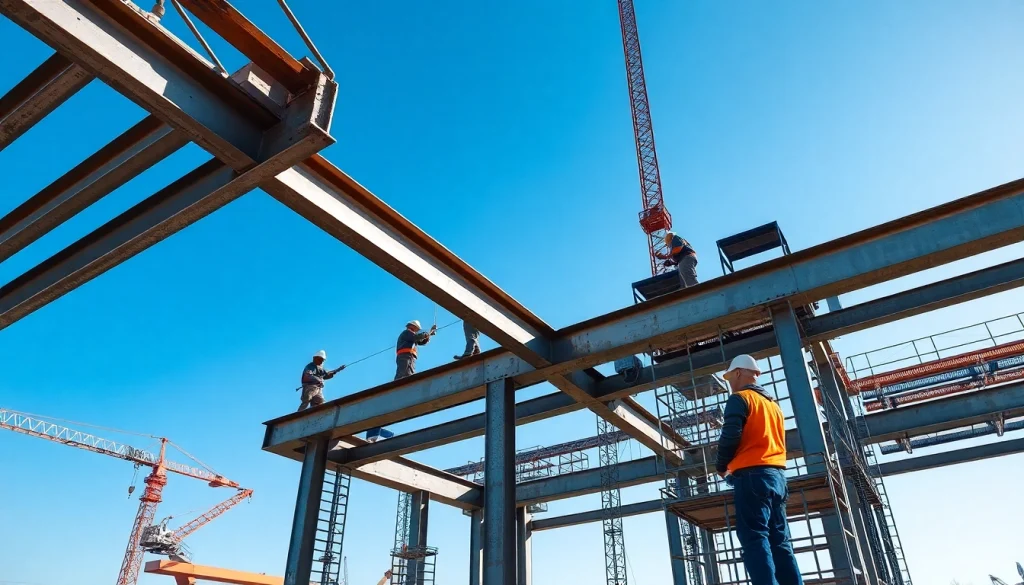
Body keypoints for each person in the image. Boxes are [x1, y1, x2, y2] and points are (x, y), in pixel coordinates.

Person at [716, 354, 802, 585]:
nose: (730, 383)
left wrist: (721, 465)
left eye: (730, 377)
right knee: (781, 542)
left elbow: (731, 435)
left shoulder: (740, 398)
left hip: (752, 476)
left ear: (738, 373)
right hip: (778, 477)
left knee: (754, 538)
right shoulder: (774, 406)